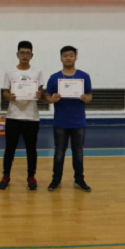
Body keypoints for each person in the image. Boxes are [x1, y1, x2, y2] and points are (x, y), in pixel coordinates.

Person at [43, 45, 93, 192]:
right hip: (60, 122)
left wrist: (85, 98)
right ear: (61, 58)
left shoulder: (84, 76)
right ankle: (56, 179)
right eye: (65, 55)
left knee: (78, 153)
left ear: (76, 58)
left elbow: (90, 96)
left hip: (78, 122)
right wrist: (52, 99)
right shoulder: (54, 77)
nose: (68, 58)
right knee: (59, 153)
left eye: (71, 55)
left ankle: (79, 180)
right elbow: (46, 96)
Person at [0, 41, 44, 190]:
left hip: (31, 117)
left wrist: (39, 94)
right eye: (22, 53)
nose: (25, 55)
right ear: (17, 54)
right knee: (9, 149)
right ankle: (6, 176)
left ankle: (31, 177)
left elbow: (40, 92)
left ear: (32, 55)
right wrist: (9, 97)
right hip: (13, 116)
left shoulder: (37, 72)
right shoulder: (10, 72)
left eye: (27, 53)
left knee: (31, 149)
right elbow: (5, 93)